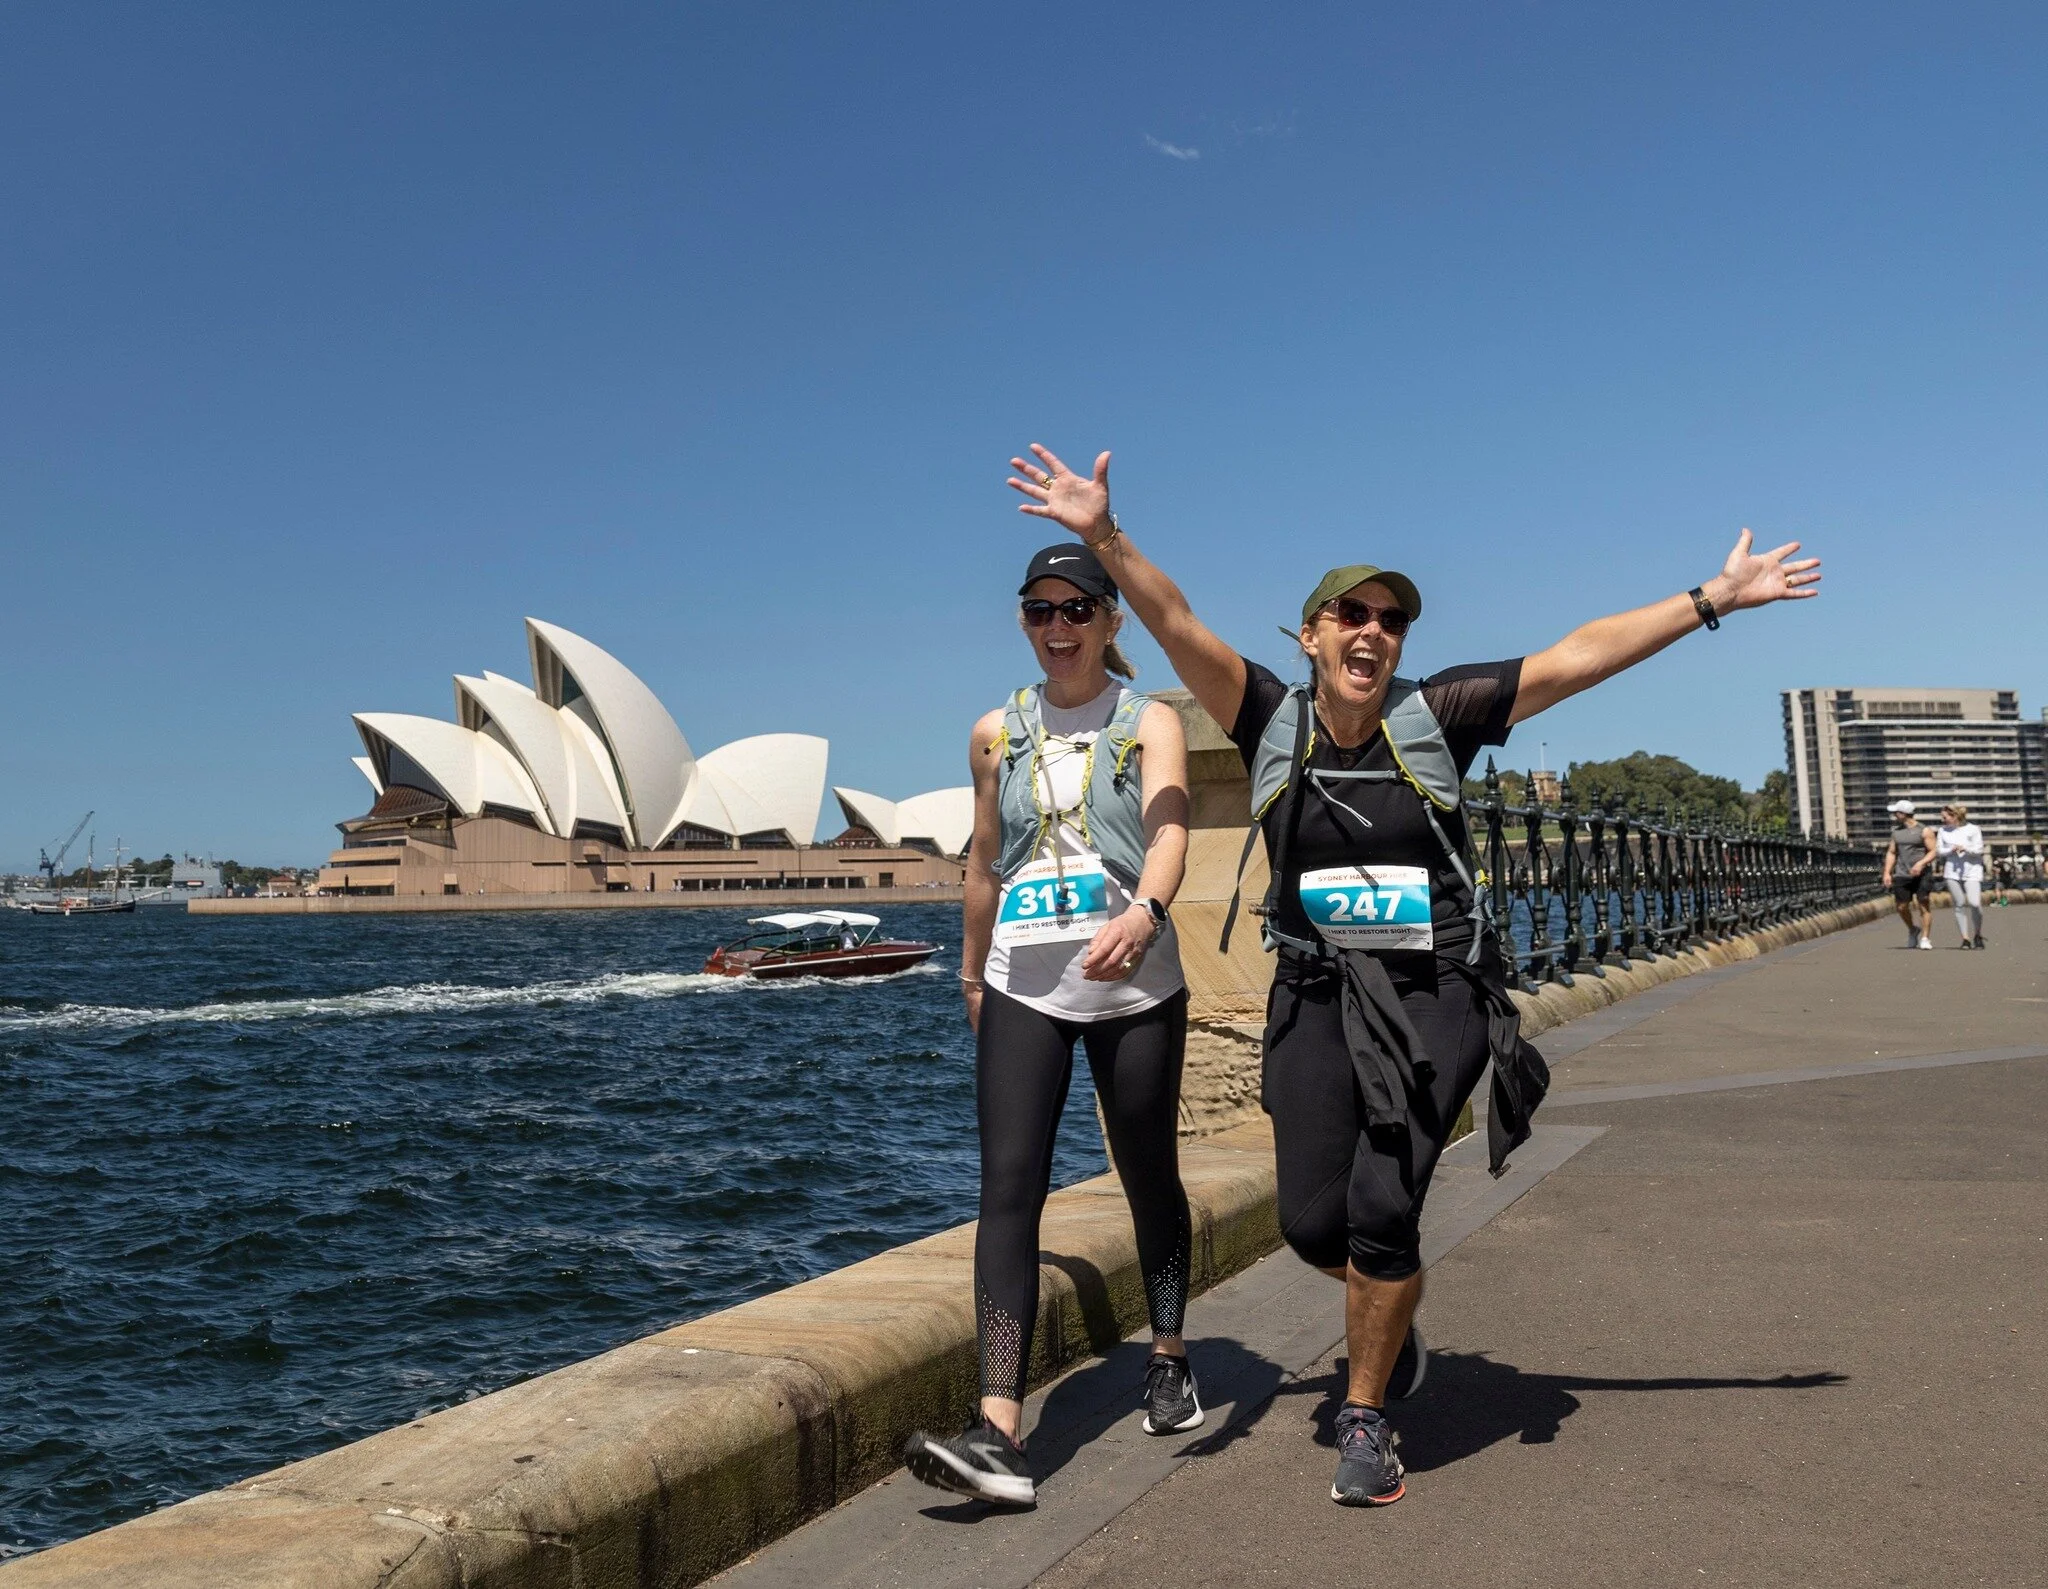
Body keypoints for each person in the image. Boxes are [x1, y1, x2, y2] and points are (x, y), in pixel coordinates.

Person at [1005, 442, 1820, 1507]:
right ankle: (1392, 1323)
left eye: (1390, 620)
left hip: (1434, 987)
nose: (1372, 633)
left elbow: (1577, 656)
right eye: (1351, 616)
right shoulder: (1266, 715)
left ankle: (1366, 1413)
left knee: (1384, 1206)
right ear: (1310, 637)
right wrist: (1105, 537)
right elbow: (1173, 621)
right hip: (1312, 987)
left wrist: (1710, 596)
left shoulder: (1437, 714)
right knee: (1310, 1219)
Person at [902, 542, 1197, 1508]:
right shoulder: (997, 731)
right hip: (1023, 978)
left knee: (1148, 1168)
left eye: (1077, 609)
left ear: (1112, 620)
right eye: (1039, 611)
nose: (1058, 628)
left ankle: (1168, 1354)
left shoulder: (1148, 720)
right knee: (1008, 1189)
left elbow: (1170, 829)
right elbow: (984, 860)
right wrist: (970, 971)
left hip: (1134, 980)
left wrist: (1146, 912)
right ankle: (998, 1427)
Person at [1881, 800, 1938, 949]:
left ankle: (1925, 938)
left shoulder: (1924, 830)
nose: (1894, 816)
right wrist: (1887, 872)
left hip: (1922, 874)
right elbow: (1892, 852)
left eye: (1896, 813)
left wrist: (1921, 863)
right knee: (1901, 907)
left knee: (1923, 903)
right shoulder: (1897, 832)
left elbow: (1933, 851)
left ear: (1903, 814)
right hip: (1902, 874)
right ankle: (1913, 929)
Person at [1936, 803, 1987, 949]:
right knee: (1959, 904)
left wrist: (1966, 848)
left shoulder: (1973, 829)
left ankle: (1977, 933)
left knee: (1974, 903)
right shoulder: (1943, 831)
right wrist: (1951, 849)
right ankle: (1965, 938)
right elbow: (1939, 850)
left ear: (1955, 816)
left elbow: (1979, 849)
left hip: (1972, 871)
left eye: (1945, 817)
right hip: (1952, 871)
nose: (1943, 820)